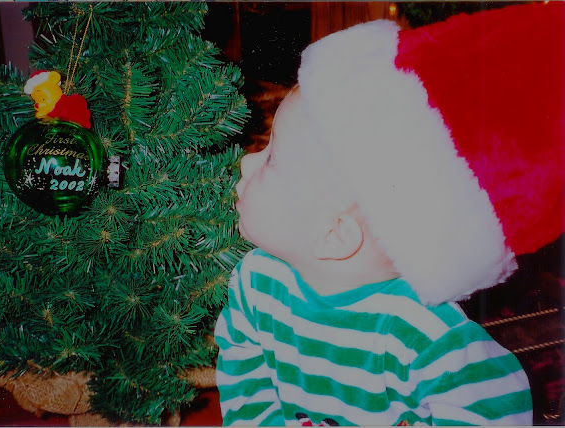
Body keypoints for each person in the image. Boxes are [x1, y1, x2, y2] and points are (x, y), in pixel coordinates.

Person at [214, 2, 565, 426]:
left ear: (335, 235)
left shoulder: (423, 332)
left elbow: (496, 407)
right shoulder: (256, 282)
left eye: (272, 160)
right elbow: (244, 365)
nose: (247, 161)